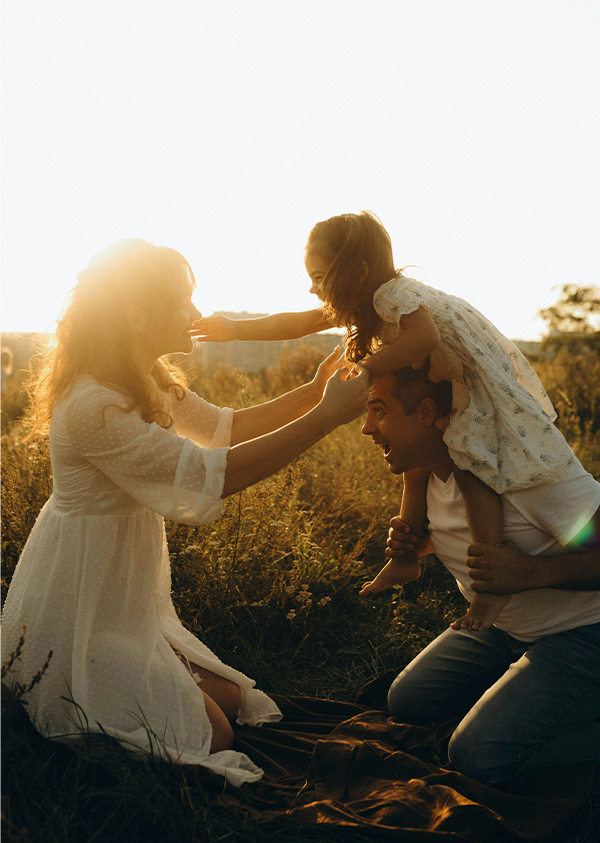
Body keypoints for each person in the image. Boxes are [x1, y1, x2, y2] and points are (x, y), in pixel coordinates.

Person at [0, 238, 369, 786]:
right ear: (138, 313)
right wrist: (324, 421)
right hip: (79, 603)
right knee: (213, 736)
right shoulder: (93, 405)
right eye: (184, 301)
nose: (196, 314)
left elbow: (227, 428)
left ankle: (138, 674)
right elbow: (209, 476)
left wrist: (317, 394)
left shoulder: (141, 380)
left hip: (118, 599)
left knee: (231, 701)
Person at [194, 211, 577, 631]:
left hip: (472, 389)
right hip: (443, 382)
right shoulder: (363, 297)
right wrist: (233, 329)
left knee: (473, 470)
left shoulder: (391, 295)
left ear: (357, 272)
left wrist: (368, 370)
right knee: (414, 470)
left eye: (320, 277)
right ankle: (404, 560)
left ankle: (490, 588)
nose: (313, 288)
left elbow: (424, 338)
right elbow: (299, 322)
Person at [361, 365, 600, 784]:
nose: (367, 428)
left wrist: (533, 573)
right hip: (504, 629)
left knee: (477, 756)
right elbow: (469, 539)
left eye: (379, 411)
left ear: (425, 412)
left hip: (585, 632)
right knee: (409, 700)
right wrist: (420, 546)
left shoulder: (529, 478)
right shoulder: (429, 477)